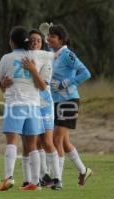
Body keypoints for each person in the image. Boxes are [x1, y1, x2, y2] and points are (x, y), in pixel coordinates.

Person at [0, 26, 46, 191]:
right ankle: (35, 182)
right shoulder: (35, 56)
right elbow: (42, 85)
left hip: (15, 104)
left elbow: (0, 82)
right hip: (33, 105)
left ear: (11, 42)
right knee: (32, 145)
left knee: (12, 142)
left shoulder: (6, 58)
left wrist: (2, 84)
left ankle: (8, 177)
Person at [47, 24, 92, 186]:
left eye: (52, 36)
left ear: (61, 39)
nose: (48, 39)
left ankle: (56, 179)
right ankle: (83, 170)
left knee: (55, 139)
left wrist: (65, 83)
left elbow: (85, 73)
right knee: (64, 142)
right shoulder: (52, 55)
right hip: (56, 102)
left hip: (69, 101)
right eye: (48, 36)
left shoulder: (67, 54)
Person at [20, 29, 62, 190]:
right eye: (32, 40)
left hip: (44, 105)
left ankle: (57, 179)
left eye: (38, 40)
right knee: (31, 144)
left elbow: (42, 85)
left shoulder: (46, 57)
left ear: (41, 42)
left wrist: (32, 70)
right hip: (29, 104)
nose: (34, 42)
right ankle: (36, 178)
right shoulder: (22, 57)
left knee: (46, 141)